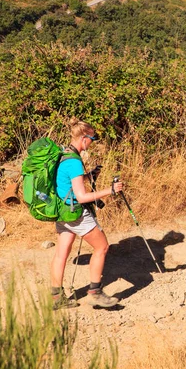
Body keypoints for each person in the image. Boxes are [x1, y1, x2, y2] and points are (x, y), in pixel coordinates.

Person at [51, 119, 123, 309]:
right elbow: (82, 196)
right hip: (76, 213)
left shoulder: (63, 154)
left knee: (61, 254)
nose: (92, 142)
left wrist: (89, 175)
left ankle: (57, 299)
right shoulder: (74, 161)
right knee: (102, 247)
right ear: (83, 138)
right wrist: (111, 190)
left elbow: (68, 182)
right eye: (92, 139)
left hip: (61, 211)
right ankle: (95, 293)